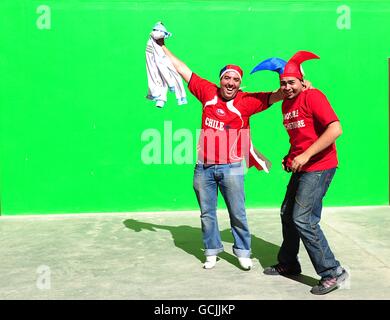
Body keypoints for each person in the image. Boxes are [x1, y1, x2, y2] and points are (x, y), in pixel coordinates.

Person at [151, 29, 287, 270]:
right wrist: (160, 45)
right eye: (227, 78)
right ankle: (212, 251)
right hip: (203, 168)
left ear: (240, 84)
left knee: (238, 213)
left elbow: (278, 96)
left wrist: (291, 79)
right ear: (221, 79)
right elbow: (182, 69)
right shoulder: (207, 92)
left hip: (232, 168)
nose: (231, 83)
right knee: (207, 214)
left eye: (235, 80)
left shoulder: (247, 102)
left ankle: (243, 252)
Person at [251, 51, 349, 294]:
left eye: (291, 82)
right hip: (303, 166)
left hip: (320, 166)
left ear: (302, 81)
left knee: (303, 219)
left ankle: (332, 272)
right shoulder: (286, 104)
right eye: (283, 83)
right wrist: (291, 156)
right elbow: (300, 138)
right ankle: (289, 263)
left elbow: (336, 129)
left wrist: (305, 156)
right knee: (287, 213)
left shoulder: (313, 96)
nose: (287, 87)